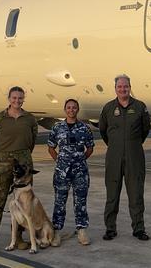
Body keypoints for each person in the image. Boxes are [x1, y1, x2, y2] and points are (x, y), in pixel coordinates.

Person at [0, 86, 38, 254]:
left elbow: (32, 141)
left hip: (24, 165)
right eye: (14, 98)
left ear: (23, 99)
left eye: (20, 98)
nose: (17, 101)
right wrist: (2, 156)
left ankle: (19, 238)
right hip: (1, 164)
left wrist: (22, 155)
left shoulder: (30, 119)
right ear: (9, 98)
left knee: (23, 204)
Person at [99, 74, 151, 241]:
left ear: (130, 87)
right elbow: (103, 131)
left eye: (126, 86)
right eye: (120, 87)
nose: (123, 89)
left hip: (134, 156)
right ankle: (110, 229)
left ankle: (138, 229)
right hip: (114, 157)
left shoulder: (140, 107)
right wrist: (116, 145)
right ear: (115, 89)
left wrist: (132, 144)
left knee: (136, 195)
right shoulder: (108, 108)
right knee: (112, 195)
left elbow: (145, 130)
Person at [47, 99, 95, 246]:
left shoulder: (84, 128)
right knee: (59, 202)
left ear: (77, 110)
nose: (71, 110)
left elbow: (90, 148)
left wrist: (79, 160)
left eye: (74, 107)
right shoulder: (57, 127)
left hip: (80, 172)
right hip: (62, 172)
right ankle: (56, 231)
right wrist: (60, 160)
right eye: (68, 107)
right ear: (65, 110)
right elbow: (51, 147)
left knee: (80, 201)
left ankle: (81, 230)